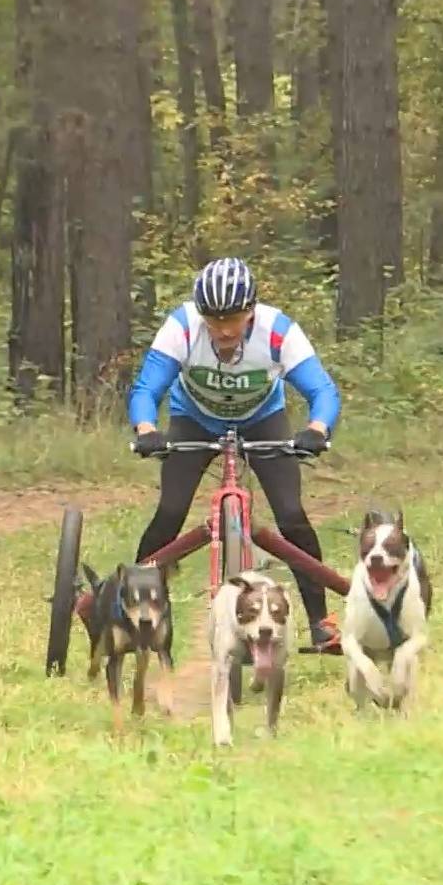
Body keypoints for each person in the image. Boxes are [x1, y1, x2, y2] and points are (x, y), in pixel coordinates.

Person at [126, 256, 342, 649]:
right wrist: (146, 429)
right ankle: (140, 610)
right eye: (214, 320)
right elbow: (146, 388)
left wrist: (317, 428)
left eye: (235, 319)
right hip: (194, 419)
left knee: (291, 515)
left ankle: (320, 622)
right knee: (171, 511)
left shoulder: (279, 331)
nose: (224, 330)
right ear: (200, 313)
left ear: (252, 310)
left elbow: (322, 391)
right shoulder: (182, 327)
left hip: (263, 419)